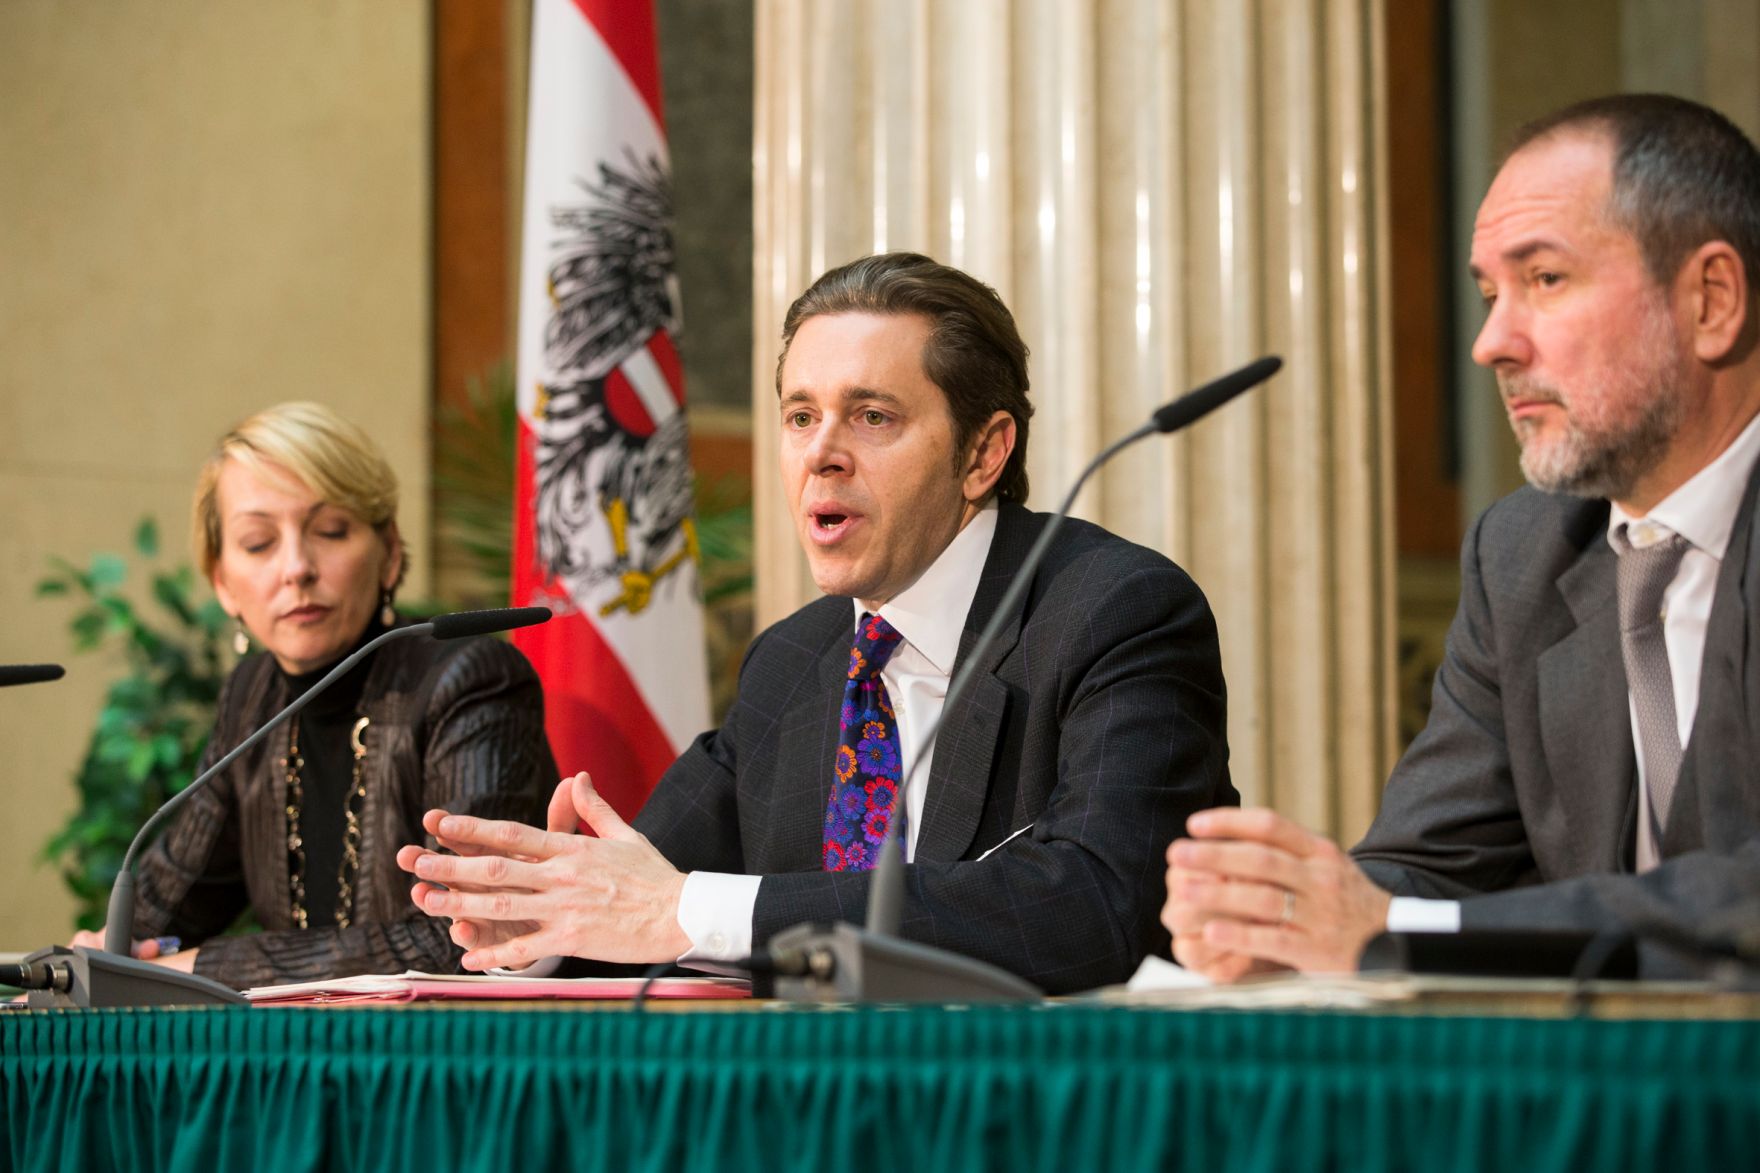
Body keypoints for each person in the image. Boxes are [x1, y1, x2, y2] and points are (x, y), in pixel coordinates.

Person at [397, 252, 1235, 994]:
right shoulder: (794, 659)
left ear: (984, 453)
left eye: (873, 417)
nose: (820, 454)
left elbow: (1097, 904)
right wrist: (540, 925)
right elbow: (641, 890)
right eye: (801, 416)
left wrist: (688, 906)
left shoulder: (1115, 612)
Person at [1162, 93, 1760, 980]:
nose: (1491, 343)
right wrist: (1292, 925)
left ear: (1711, 299)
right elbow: (1434, 864)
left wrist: (1384, 933)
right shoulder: (1522, 551)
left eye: (1545, 280)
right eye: (1488, 294)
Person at [72, 401, 556, 989]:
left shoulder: (471, 681)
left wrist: (201, 967)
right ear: (222, 583)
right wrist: (112, 949)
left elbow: (461, 938)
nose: (297, 567)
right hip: (300, 1058)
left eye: (330, 532)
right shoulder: (250, 700)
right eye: (258, 543)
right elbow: (161, 911)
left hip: (454, 1054)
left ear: (390, 553)